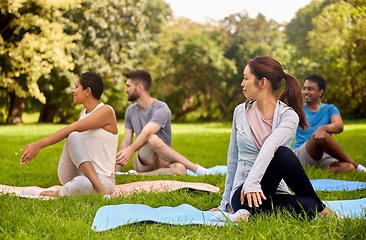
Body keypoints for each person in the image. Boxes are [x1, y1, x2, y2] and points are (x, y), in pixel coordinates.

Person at [209, 56, 332, 222]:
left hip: (274, 193)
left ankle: (247, 219)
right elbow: (233, 157)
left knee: (308, 204)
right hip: (245, 194)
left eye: (246, 78)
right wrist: (226, 203)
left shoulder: (288, 116)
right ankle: (245, 213)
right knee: (282, 155)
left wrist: (255, 182)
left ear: (262, 82)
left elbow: (271, 145)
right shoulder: (240, 111)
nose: (242, 83)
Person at [20, 72, 118, 197]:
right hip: (78, 173)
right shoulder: (83, 114)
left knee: (81, 184)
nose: (73, 90)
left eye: (76, 87)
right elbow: (73, 134)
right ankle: (99, 189)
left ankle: (50, 193)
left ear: (87, 91)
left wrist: (39, 144)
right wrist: (38, 145)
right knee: (73, 136)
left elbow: (70, 128)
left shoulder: (106, 111)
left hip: (104, 178)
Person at [115, 69, 213, 176]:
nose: (125, 90)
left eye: (128, 86)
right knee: (152, 139)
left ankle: (137, 175)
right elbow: (126, 141)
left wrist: (130, 150)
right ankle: (196, 168)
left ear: (139, 87)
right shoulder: (130, 111)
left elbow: (147, 132)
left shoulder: (161, 108)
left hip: (164, 159)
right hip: (144, 159)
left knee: (180, 169)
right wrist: (117, 171)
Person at [292, 74, 366, 174]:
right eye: (304, 88)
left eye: (310, 89)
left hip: (322, 155)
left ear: (321, 92)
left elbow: (339, 126)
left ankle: (315, 172)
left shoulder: (330, 109)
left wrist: (324, 127)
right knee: (322, 137)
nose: (305, 92)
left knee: (348, 168)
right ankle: (357, 166)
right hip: (300, 154)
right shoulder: (298, 109)